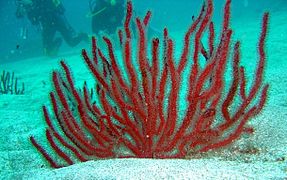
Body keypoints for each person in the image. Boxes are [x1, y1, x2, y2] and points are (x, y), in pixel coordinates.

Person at [15, 0, 89, 57]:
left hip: (57, 21)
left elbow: (60, 9)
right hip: (47, 25)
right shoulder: (25, 5)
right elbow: (19, 15)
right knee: (48, 51)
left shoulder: (37, 3)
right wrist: (25, 7)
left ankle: (83, 36)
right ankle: (58, 42)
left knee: (72, 42)